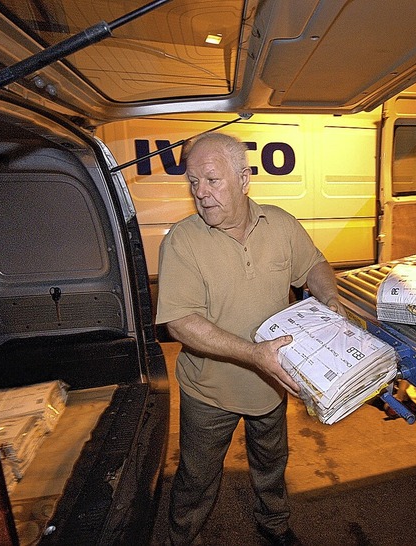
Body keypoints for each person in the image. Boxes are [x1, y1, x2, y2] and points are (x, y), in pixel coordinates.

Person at [155, 132, 345, 546]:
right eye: (192, 183)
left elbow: (313, 264)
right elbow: (181, 323)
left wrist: (328, 296)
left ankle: (273, 525)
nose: (200, 194)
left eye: (211, 180)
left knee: (271, 466)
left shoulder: (280, 224)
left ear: (244, 179)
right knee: (196, 479)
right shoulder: (183, 241)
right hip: (210, 392)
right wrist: (253, 354)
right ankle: (182, 537)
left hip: (273, 385)